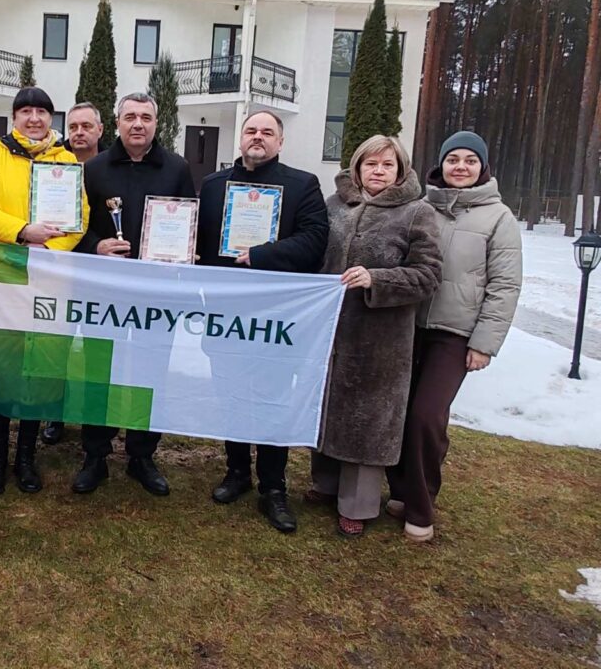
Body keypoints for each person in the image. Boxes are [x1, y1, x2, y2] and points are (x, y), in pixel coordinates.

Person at [196, 110, 329, 533]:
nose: (258, 137)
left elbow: (314, 242)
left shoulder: (303, 184)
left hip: (277, 316)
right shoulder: (213, 185)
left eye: (267, 132)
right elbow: (198, 241)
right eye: (251, 130)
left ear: (280, 142)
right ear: (241, 138)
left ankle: (274, 486)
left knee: (272, 400)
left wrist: (260, 254)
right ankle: (237, 471)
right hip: (226, 313)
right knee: (231, 396)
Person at [387, 131, 522, 542]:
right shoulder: (422, 207)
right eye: (453, 159)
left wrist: (484, 342)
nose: (460, 167)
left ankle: (421, 505)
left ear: (483, 167)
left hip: (454, 333)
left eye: (469, 160)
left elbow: (505, 285)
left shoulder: (498, 218)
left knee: (427, 416)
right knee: (399, 410)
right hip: (407, 326)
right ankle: (400, 489)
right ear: (441, 164)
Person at [314, 135, 442, 537]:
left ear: (401, 171)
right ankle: (325, 484)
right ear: (357, 167)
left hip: (381, 339)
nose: (378, 171)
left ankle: (358, 505)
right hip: (331, 329)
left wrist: (378, 279)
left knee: (367, 422)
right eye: (371, 164)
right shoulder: (335, 206)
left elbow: (428, 275)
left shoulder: (417, 212)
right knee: (326, 408)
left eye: (388, 165)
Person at [70, 92, 196, 497]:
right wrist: (96, 245)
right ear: (117, 123)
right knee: (98, 371)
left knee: (150, 373)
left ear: (157, 123)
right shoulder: (93, 168)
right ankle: (95, 454)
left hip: (156, 293)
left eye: (145, 117)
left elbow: (189, 219)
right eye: (130, 117)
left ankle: (142, 454)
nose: (138, 124)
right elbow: (74, 226)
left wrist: (185, 249)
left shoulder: (177, 167)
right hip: (103, 290)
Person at [0, 86, 88, 496]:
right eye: (26, 112)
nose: (34, 119)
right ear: (15, 117)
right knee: (4, 363)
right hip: (5, 272)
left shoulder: (65, 159)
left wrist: (51, 251)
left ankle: (26, 456)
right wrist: (22, 232)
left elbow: (80, 215)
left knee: (41, 365)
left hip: (49, 274)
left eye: (42, 112)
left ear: (51, 118)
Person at [41, 101, 107, 447]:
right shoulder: (51, 163)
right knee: (57, 347)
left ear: (100, 130)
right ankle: (54, 413)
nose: (79, 133)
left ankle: (96, 420)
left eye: (86, 126)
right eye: (73, 127)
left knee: (98, 353)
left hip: (99, 274)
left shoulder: (110, 167)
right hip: (58, 269)